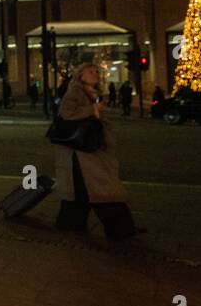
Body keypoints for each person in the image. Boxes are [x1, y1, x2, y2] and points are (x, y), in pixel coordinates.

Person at [52, 60, 138, 242]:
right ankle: (120, 228)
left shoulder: (92, 92)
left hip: (89, 147)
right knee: (102, 188)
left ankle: (72, 223)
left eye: (96, 72)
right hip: (82, 149)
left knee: (82, 189)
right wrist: (92, 109)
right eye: (90, 72)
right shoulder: (75, 91)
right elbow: (66, 113)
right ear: (81, 76)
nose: (95, 74)